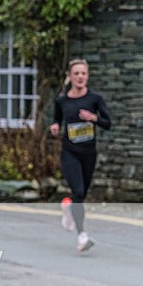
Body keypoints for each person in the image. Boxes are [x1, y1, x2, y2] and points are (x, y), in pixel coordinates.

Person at [50, 58, 111, 254]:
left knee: (81, 195)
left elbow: (107, 123)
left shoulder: (95, 99)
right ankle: (82, 235)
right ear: (70, 76)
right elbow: (57, 119)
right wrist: (55, 127)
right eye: (76, 73)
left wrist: (93, 118)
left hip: (89, 153)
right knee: (77, 191)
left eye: (83, 73)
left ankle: (69, 209)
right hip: (70, 152)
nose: (80, 77)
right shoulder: (62, 100)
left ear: (87, 76)